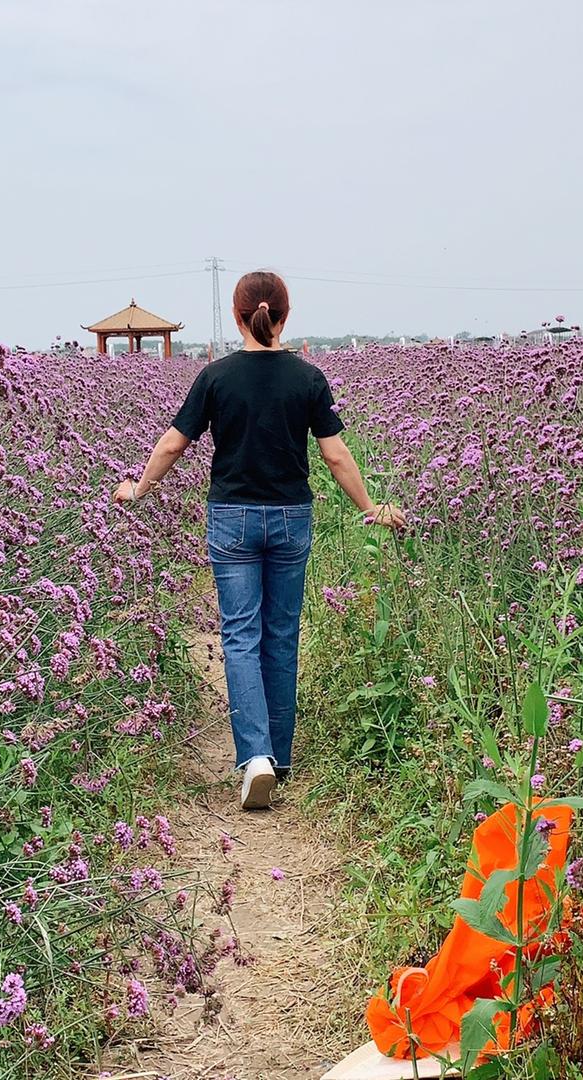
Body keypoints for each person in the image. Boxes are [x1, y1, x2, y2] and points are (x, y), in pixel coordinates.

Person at [114, 270, 404, 809]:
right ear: (284, 316)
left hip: (233, 519)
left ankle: (256, 757)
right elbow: (335, 455)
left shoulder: (216, 376)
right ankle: (280, 755)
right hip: (291, 517)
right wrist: (371, 508)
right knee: (282, 634)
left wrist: (139, 488)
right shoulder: (308, 378)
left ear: (237, 316)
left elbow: (174, 444)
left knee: (240, 635)